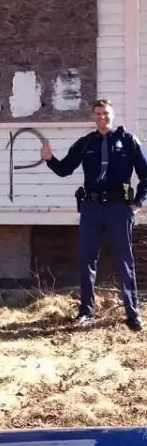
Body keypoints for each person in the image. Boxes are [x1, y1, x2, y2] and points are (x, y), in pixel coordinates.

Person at [40, 99, 147, 331]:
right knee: (87, 260)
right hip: (91, 208)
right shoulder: (86, 142)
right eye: (97, 114)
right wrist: (49, 159)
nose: (102, 117)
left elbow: (145, 174)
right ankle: (86, 312)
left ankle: (132, 314)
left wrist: (138, 201)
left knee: (125, 260)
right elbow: (65, 169)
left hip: (119, 208)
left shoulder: (128, 141)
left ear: (113, 115)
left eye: (105, 113)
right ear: (93, 117)